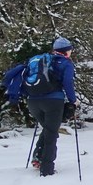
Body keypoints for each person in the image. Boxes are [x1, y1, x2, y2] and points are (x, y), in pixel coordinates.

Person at [28, 37, 77, 177]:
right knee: (51, 133)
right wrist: (73, 101)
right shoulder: (65, 63)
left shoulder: (42, 61)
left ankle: (38, 156)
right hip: (53, 101)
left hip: (32, 101)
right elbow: (68, 83)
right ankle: (47, 169)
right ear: (67, 51)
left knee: (49, 129)